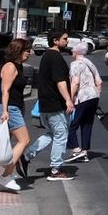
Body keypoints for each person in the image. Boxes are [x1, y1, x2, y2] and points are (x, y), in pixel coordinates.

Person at [0, 37, 33, 192]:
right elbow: (5, 90)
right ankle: (7, 174)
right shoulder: (11, 66)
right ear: (18, 51)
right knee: (24, 140)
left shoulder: (18, 66)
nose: (30, 53)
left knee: (3, 146)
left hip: (13, 107)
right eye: (27, 50)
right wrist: (5, 111)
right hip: (10, 108)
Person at [30, 29, 77, 180]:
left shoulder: (46, 56)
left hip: (45, 103)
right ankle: (56, 170)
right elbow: (60, 81)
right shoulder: (55, 57)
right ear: (55, 41)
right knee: (61, 135)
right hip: (54, 104)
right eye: (65, 38)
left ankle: (26, 155)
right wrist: (68, 100)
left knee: (52, 133)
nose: (67, 41)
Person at [67, 40, 103, 162]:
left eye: (72, 50)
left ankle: (76, 150)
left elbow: (75, 82)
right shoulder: (90, 63)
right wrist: (97, 94)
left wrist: (70, 98)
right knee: (87, 124)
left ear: (76, 52)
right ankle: (84, 151)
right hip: (93, 97)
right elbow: (99, 82)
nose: (71, 52)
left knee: (73, 126)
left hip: (82, 98)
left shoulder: (75, 64)